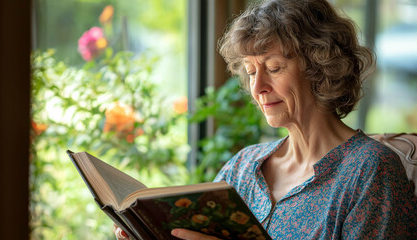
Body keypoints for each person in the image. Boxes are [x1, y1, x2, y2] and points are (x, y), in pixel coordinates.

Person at [114, 0, 417, 239]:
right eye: (250, 71)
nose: (258, 88)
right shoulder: (243, 168)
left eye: (273, 68)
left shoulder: (369, 171)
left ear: (320, 67)